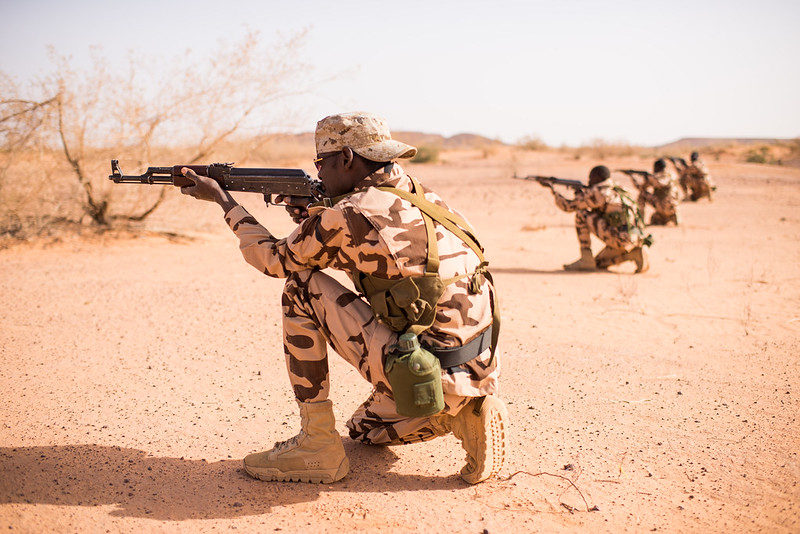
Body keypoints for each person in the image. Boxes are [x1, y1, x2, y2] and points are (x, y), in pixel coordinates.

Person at [178, 112, 506, 485]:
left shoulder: (348, 215)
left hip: (424, 365)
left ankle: (317, 445)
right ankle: (464, 413)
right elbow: (377, 253)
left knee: (299, 287)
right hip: (474, 364)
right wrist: (315, 218)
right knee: (365, 431)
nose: (319, 174)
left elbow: (273, 260)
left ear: (347, 158)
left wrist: (224, 202)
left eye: (322, 164)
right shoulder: (422, 194)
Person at [541, 165, 651, 273]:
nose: (589, 181)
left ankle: (586, 257)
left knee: (581, 214)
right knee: (598, 263)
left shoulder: (599, 192)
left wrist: (553, 191)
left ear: (597, 178)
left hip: (620, 238)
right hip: (635, 238)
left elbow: (568, 206)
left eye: (591, 178)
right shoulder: (621, 189)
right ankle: (633, 254)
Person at [635, 159, 680, 226]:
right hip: (672, 207)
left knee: (642, 195)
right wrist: (634, 180)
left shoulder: (666, 176)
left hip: (665, 205)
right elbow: (641, 188)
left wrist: (649, 177)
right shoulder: (670, 174)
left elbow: (659, 183)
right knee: (654, 220)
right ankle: (667, 218)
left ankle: (640, 221)